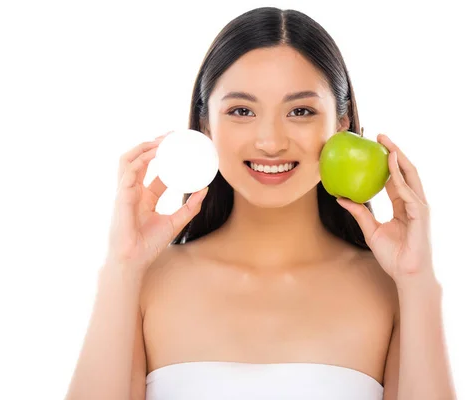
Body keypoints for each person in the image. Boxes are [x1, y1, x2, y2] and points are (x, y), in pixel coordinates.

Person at [65, 7, 456, 400]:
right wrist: (122, 266)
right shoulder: (144, 282)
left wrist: (417, 279)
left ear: (341, 122)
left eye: (300, 111)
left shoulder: (392, 291)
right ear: (205, 125)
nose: (270, 141)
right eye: (242, 111)